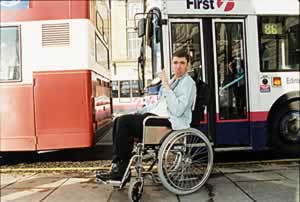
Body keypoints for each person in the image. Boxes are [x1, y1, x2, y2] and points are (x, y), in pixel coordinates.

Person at [97, 49, 197, 182]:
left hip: (170, 121)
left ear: (188, 65)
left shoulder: (188, 83)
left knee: (124, 123)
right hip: (157, 116)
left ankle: (121, 170)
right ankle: (118, 166)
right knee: (118, 120)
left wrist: (166, 86)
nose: (178, 66)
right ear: (172, 64)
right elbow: (158, 105)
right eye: (175, 62)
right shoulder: (174, 80)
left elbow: (178, 110)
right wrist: (139, 112)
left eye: (182, 63)